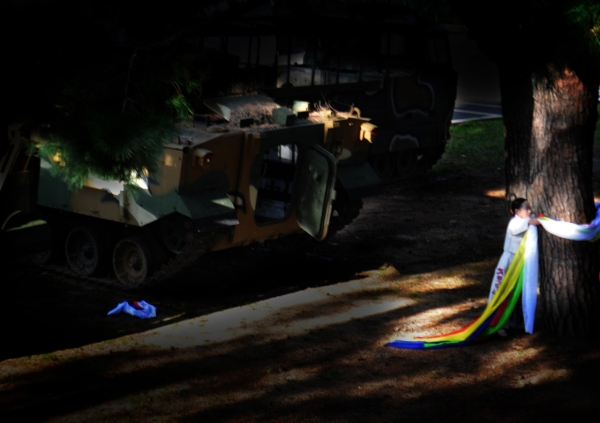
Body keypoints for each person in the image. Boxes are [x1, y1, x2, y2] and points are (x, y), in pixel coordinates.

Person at [488, 198, 540, 336]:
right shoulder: (514, 223)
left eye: (529, 209)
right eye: (525, 209)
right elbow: (530, 222)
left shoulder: (526, 218)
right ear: (516, 211)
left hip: (520, 262)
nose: (528, 211)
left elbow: (532, 219)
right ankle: (495, 323)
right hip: (509, 261)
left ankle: (515, 323)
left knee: (518, 293)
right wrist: (537, 220)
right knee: (500, 291)